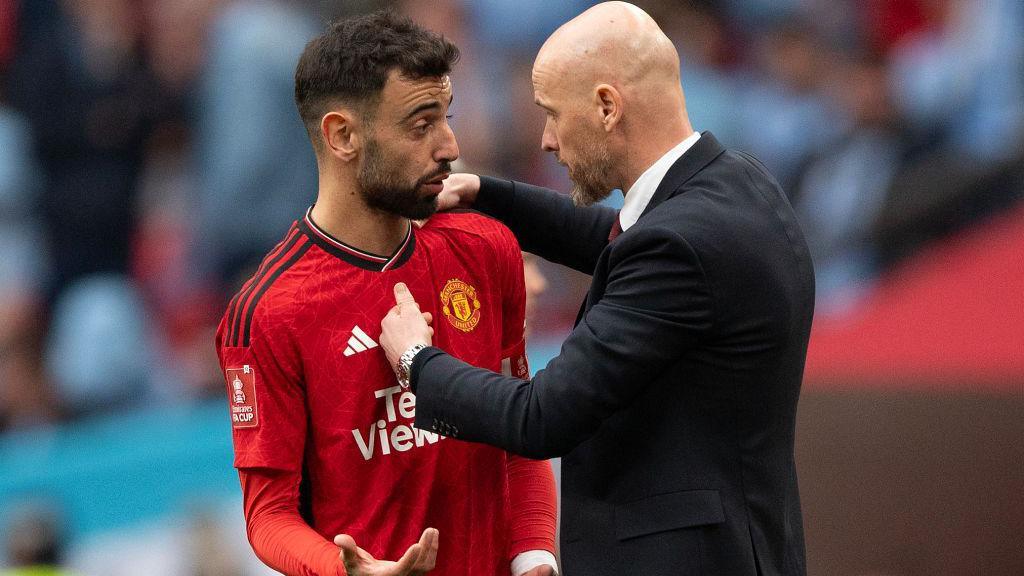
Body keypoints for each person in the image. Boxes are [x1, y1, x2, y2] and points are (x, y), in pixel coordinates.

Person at [379, 2, 815, 575]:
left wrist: (418, 361)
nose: (546, 140)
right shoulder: (737, 183)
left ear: (608, 106)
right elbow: (618, 241)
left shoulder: (675, 249)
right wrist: (488, 194)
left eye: (554, 114)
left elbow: (540, 417)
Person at [214, 11, 557, 576]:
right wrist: (343, 569)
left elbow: (521, 436)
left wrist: (534, 557)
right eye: (421, 125)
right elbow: (268, 515)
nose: (450, 146)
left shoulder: (486, 249)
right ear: (343, 135)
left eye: (447, 117)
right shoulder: (269, 312)